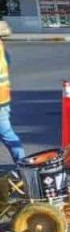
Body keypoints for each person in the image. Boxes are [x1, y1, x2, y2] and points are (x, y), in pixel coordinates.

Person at [0, 21, 25, 165]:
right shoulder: (3, 49)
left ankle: (23, 165)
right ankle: (22, 165)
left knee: (7, 134)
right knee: (8, 135)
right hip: (3, 98)